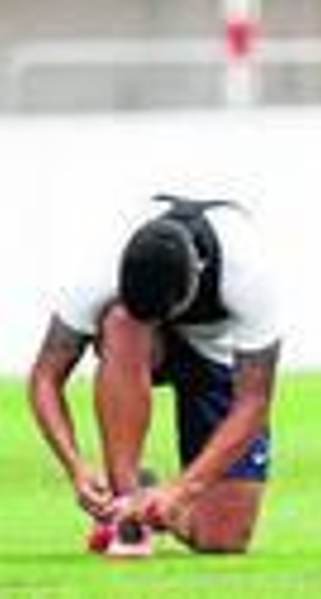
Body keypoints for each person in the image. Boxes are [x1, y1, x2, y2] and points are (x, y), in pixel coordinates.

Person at [28, 194, 282, 558]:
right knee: (122, 322)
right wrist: (77, 468)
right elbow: (45, 378)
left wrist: (180, 490)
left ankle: (149, 497)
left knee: (223, 541)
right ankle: (126, 505)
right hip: (142, 345)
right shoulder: (97, 269)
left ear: (197, 276)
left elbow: (253, 402)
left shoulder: (251, 273)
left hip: (221, 360)